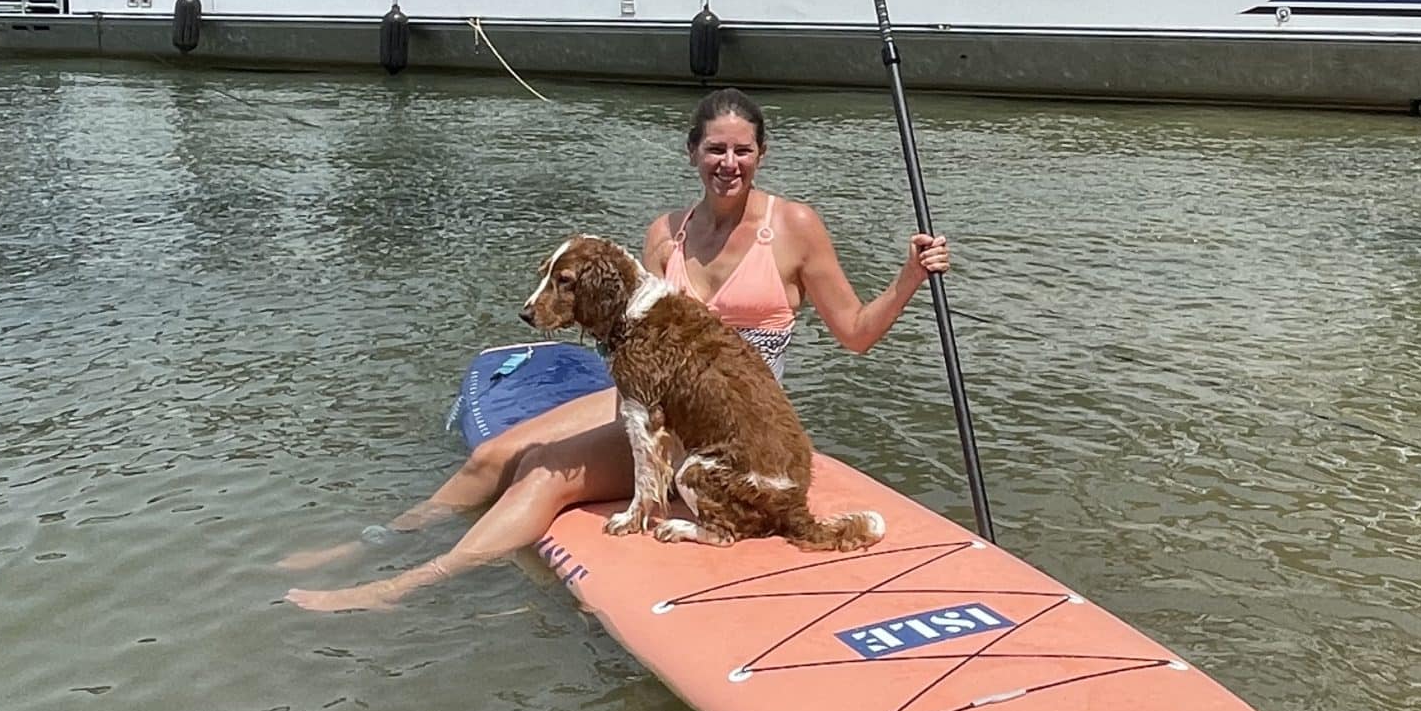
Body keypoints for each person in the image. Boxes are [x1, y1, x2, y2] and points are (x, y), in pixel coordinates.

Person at [283, 88, 948, 611]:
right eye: (715, 149)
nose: (729, 163)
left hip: (722, 422)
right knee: (495, 454)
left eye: (743, 150)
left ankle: (408, 586)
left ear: (762, 154)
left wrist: (910, 277)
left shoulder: (795, 227)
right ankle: (380, 539)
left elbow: (856, 334)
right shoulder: (667, 232)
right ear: (692, 152)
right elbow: (623, 330)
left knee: (544, 473)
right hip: (653, 395)